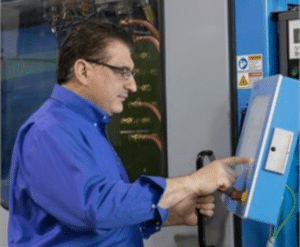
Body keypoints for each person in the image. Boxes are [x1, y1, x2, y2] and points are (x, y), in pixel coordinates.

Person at [8, 19, 250, 246]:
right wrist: (192, 182)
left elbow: (105, 220)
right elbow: (96, 208)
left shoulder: (87, 127)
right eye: (122, 71)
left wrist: (169, 215)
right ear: (83, 71)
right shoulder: (48, 132)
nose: (132, 85)